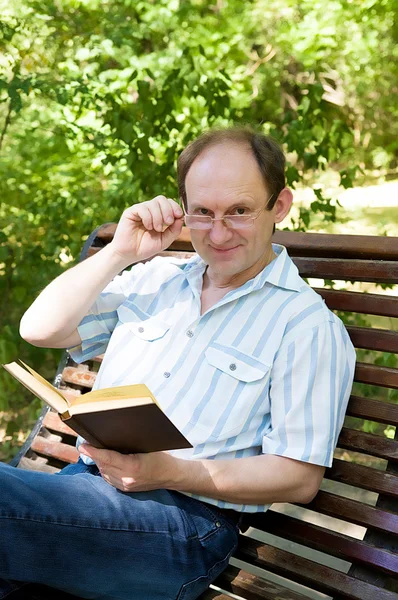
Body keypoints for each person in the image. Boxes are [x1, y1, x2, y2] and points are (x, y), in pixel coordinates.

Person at [1, 127, 356, 600]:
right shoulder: (157, 278)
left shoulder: (306, 326)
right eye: (203, 213)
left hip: (182, 526)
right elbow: (40, 329)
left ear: (281, 205)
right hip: (83, 494)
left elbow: (300, 478)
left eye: (240, 211)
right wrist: (120, 253)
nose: (219, 232)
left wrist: (169, 472)